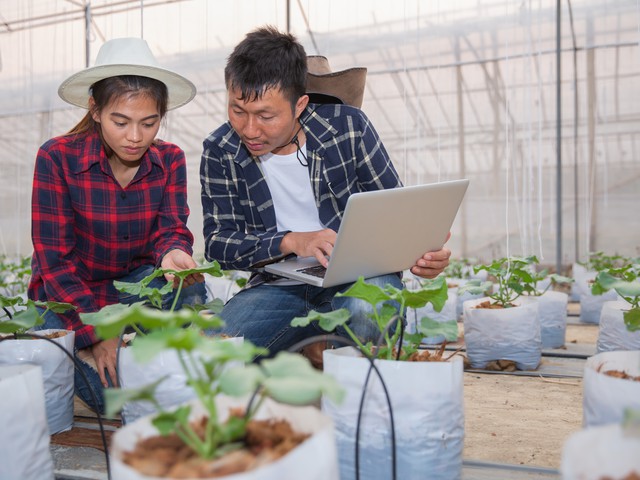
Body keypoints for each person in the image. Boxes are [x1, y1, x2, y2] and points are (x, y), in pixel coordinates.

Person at [200, 26, 451, 358]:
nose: (249, 129)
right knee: (212, 355)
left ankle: (332, 367)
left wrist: (420, 252)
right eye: (237, 110)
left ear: (300, 104)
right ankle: (316, 348)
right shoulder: (221, 150)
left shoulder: (348, 128)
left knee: (367, 312)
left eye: (266, 116)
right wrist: (292, 241)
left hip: (360, 277)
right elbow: (219, 243)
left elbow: (395, 211)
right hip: (277, 286)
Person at [28, 37, 206, 413]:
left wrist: (173, 251)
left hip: (131, 290)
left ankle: (134, 362)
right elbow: (54, 263)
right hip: (69, 294)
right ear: (95, 110)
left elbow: (171, 228)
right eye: (120, 121)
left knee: (188, 294)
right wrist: (97, 332)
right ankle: (117, 364)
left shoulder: (170, 158)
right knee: (110, 397)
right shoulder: (56, 157)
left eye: (149, 122)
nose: (136, 137)